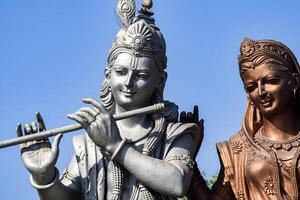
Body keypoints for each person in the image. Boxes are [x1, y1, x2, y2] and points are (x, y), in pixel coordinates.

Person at [16, 0, 201, 199]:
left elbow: (177, 182)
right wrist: (44, 177)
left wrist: (114, 145)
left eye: (141, 76)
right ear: (107, 75)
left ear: (160, 80)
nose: (128, 82)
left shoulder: (174, 133)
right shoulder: (91, 141)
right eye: (121, 72)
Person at [186, 38, 300, 200]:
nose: (261, 92)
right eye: (251, 87)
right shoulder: (238, 151)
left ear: (293, 82)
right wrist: (189, 158)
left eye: (270, 81)